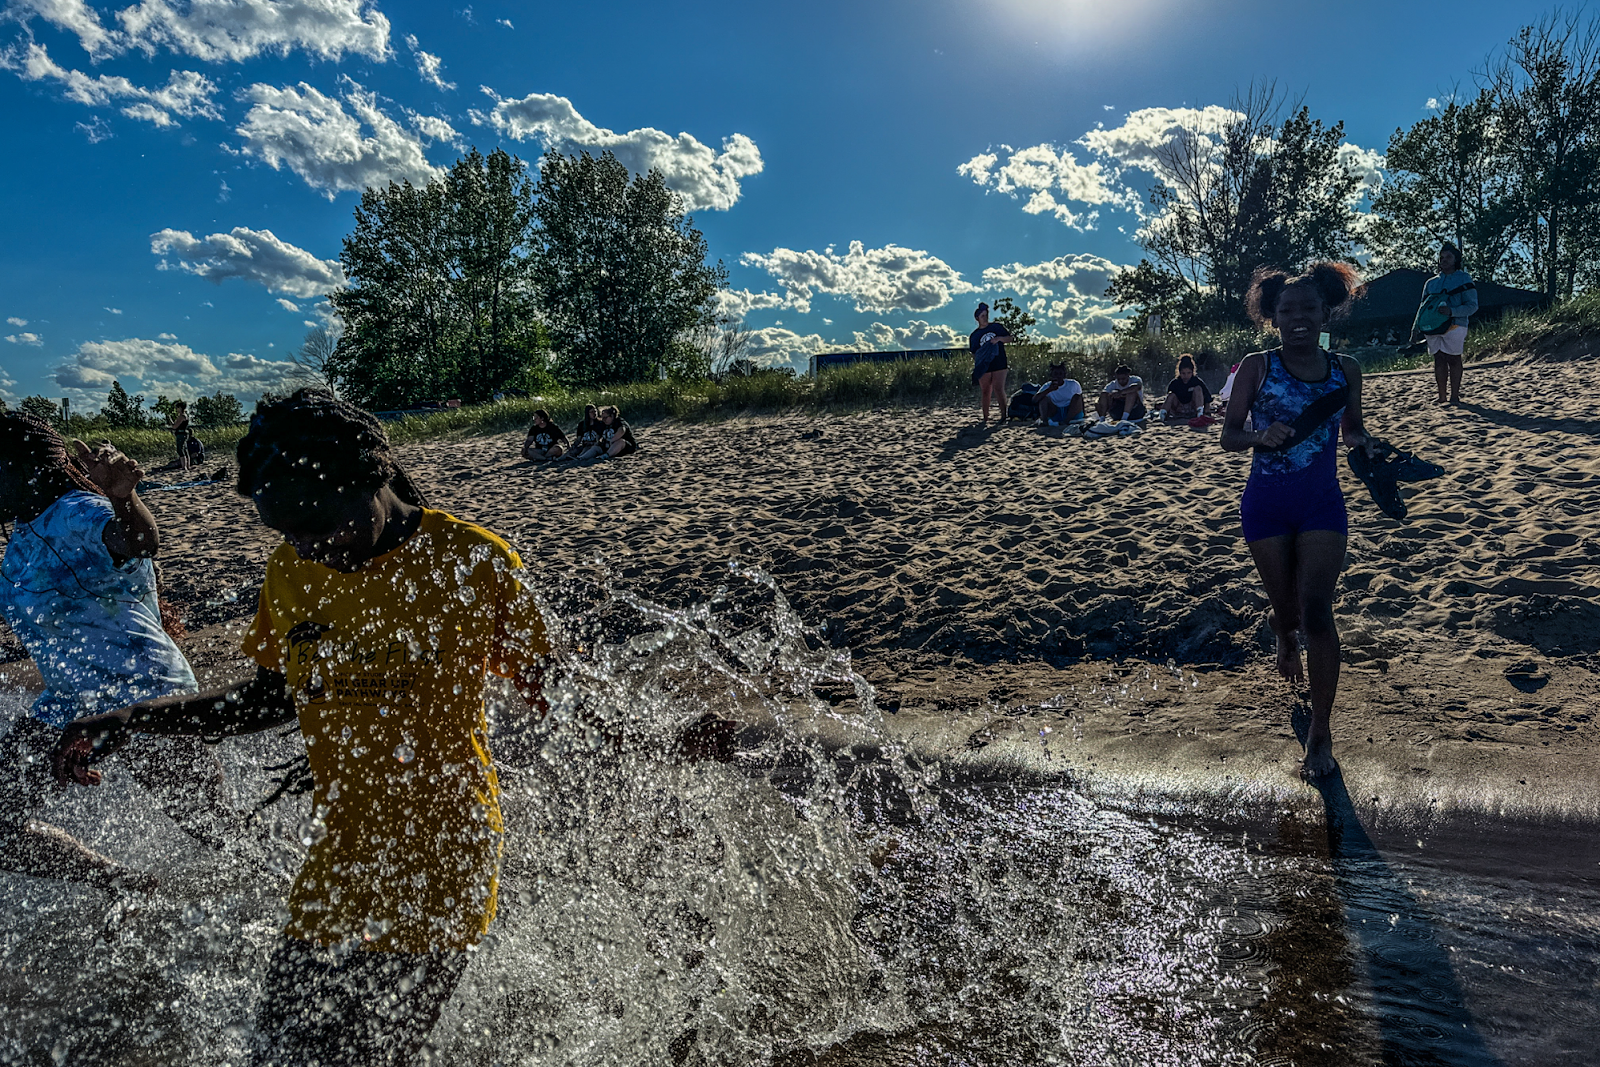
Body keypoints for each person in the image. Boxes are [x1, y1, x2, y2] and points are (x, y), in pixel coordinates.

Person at [50, 390, 553, 1067]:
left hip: (442, 854)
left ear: (371, 476)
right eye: (290, 533)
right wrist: (132, 719)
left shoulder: (471, 561)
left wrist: (657, 737)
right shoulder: (292, 572)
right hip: (341, 853)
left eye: (321, 526)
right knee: (277, 1049)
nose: (313, 547)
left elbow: (559, 694)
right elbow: (267, 700)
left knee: (369, 1056)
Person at [0, 416, 241, 889]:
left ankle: (313, 888)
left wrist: (124, 499)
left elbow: (139, 541)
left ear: (20, 469)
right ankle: (129, 886)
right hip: (69, 703)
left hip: (144, 691)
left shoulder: (79, 512)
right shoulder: (21, 537)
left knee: (220, 830)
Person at [1221, 263, 1380, 779]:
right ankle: (1282, 633)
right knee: (1287, 612)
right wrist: (1257, 437)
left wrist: (1365, 444)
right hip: (1265, 505)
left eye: (1308, 309)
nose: (1298, 319)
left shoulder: (1345, 369)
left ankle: (1320, 733)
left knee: (1317, 611)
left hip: (1321, 504)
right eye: (1287, 310)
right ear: (1273, 317)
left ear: (1325, 312)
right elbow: (1229, 435)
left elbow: (1351, 429)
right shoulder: (1257, 367)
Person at [1418, 242, 1478, 404]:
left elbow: (1473, 306)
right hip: (1432, 327)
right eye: (1442, 257)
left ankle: (1454, 396)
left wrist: (1452, 311)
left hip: (1455, 324)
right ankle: (1441, 397)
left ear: (1456, 259)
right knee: (1438, 359)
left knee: (1454, 359)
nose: (1444, 260)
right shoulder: (1431, 283)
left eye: (1448, 257)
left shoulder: (1464, 279)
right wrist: (1416, 327)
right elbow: (1422, 308)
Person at [968, 302, 1013, 424]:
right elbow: (974, 353)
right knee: (985, 390)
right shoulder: (975, 335)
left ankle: (1003, 415)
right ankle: (985, 417)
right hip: (984, 365)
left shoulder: (996, 327)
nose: (985, 318)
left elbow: (1010, 338)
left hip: (999, 362)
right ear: (977, 318)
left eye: (986, 315)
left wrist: (999, 339)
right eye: (982, 316)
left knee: (998, 388)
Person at [1164, 355, 1213, 419]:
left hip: (1193, 408)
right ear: (1179, 372)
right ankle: (1163, 415)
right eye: (1183, 373)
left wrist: (1207, 411)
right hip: (1178, 409)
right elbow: (1168, 399)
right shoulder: (1174, 383)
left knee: (1198, 389)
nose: (1186, 376)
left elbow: (1207, 398)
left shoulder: (1197, 381)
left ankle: (1200, 414)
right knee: (1171, 394)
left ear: (1192, 372)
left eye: (1189, 373)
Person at [168, 400, 191, 473]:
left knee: (180, 450)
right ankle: (188, 465)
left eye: (177, 408)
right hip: (184, 434)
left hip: (181, 434)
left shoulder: (181, 416)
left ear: (180, 408)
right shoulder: (185, 416)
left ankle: (184, 466)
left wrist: (170, 420)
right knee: (185, 449)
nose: (176, 409)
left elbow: (175, 426)